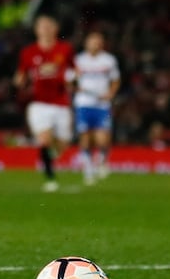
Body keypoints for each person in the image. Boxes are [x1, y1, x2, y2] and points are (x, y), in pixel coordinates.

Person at [13, 15, 75, 192]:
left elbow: (74, 70)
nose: (46, 29)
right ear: (37, 30)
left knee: (62, 146)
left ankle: (49, 157)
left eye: (49, 26)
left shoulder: (65, 49)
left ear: (56, 29)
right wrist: (19, 82)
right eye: (42, 26)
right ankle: (50, 178)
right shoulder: (28, 52)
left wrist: (72, 79)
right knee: (44, 140)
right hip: (39, 104)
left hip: (61, 103)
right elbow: (21, 75)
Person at [72, 30, 120, 185]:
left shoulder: (109, 60)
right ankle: (88, 168)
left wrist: (110, 94)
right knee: (85, 136)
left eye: (98, 41)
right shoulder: (78, 60)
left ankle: (101, 159)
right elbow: (69, 80)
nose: (96, 44)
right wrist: (74, 88)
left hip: (101, 104)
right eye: (93, 41)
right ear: (86, 43)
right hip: (83, 103)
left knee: (102, 138)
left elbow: (115, 80)